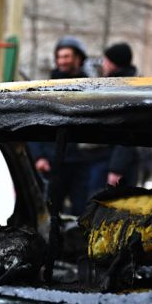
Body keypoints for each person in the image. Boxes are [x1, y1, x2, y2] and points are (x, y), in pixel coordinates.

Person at [30, 36, 105, 214]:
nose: (62, 61)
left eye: (67, 57)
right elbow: (33, 123)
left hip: (81, 164)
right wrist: (38, 157)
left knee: (82, 213)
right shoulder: (46, 88)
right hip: (52, 162)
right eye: (60, 57)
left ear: (78, 59)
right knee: (50, 213)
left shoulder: (90, 88)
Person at [100, 42, 140, 187]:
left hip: (117, 166)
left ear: (114, 63)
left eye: (106, 60)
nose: (103, 64)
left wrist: (116, 168)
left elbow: (127, 130)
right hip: (111, 161)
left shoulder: (125, 89)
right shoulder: (115, 85)